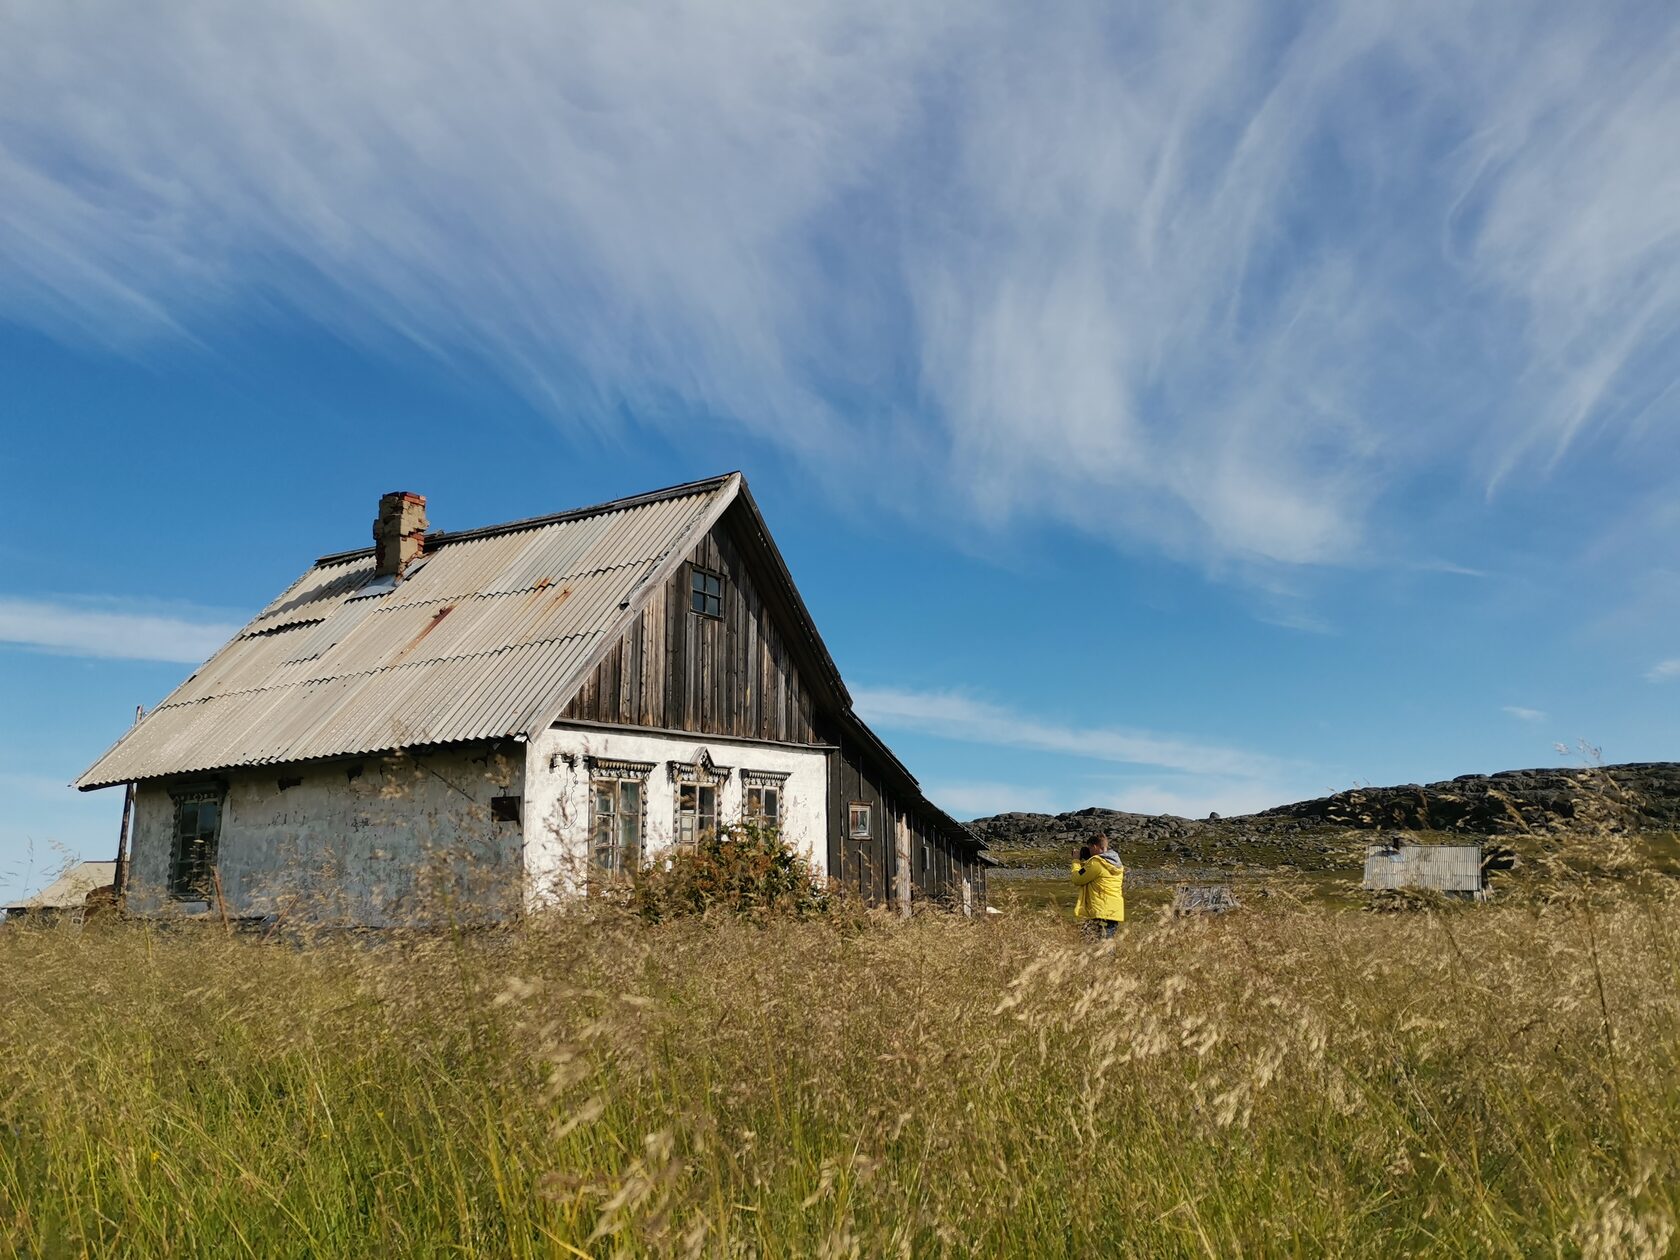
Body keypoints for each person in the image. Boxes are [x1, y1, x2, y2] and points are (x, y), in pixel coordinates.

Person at [1070, 833, 1125, 939]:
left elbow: (1077, 879)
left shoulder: (1097, 863)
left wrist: (1076, 861)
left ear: (1094, 846)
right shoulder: (1117, 864)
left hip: (1099, 911)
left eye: (1089, 848)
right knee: (1106, 945)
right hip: (1114, 912)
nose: (1089, 851)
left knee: (1089, 944)